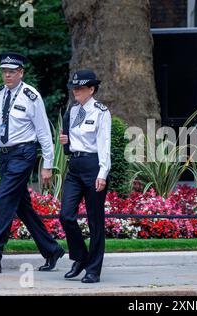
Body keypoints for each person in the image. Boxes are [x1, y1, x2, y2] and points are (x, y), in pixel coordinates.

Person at [0, 52, 65, 273]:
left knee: (3, 202)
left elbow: (44, 133)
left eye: (12, 71)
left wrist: (47, 165)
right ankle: (52, 249)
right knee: (22, 207)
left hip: (23, 155)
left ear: (21, 73)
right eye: (4, 71)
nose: (7, 75)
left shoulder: (30, 96)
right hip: (5, 156)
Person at [59, 70, 111, 283]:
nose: (75, 91)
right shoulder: (72, 111)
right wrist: (66, 143)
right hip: (75, 167)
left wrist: (102, 173)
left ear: (91, 89)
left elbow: (104, 144)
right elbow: (72, 141)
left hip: (93, 166)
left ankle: (93, 270)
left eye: (80, 88)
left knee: (95, 221)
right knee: (66, 215)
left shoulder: (101, 111)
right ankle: (81, 257)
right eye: (74, 87)